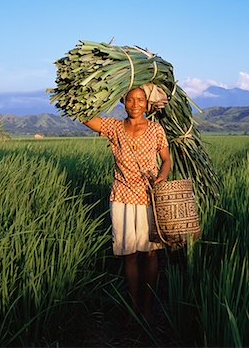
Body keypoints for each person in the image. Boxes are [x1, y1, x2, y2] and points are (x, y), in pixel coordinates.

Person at [83, 86, 171, 326]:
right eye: (130, 99)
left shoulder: (155, 129)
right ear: (123, 102)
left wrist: (162, 176)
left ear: (147, 104)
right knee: (129, 254)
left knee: (150, 252)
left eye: (140, 100)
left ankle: (148, 305)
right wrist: (92, 94)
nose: (135, 104)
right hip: (121, 196)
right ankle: (133, 306)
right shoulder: (114, 127)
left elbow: (166, 159)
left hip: (148, 196)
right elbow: (86, 118)